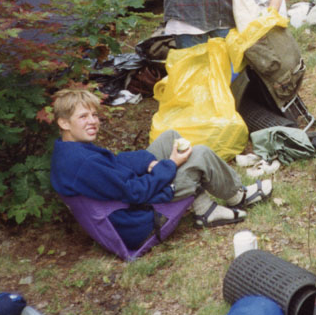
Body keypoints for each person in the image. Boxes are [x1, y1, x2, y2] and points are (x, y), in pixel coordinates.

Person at [49, 89, 273, 248]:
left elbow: (117, 162)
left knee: (170, 138)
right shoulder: (84, 163)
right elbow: (136, 192)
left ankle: (205, 210)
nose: (93, 121)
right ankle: (237, 196)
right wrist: (169, 165)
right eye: (83, 116)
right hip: (139, 221)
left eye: (94, 115)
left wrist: (149, 164)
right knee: (200, 155)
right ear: (64, 123)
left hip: (130, 203)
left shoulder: (70, 150)